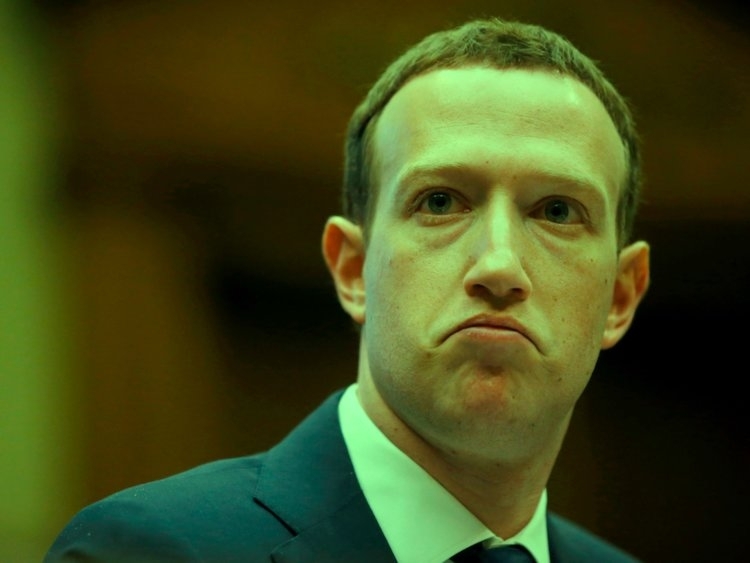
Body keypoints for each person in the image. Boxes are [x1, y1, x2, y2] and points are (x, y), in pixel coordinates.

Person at [44, 16, 650, 563]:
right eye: (440, 202)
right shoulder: (147, 550)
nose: (498, 264)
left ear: (620, 298)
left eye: (557, 211)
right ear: (353, 270)